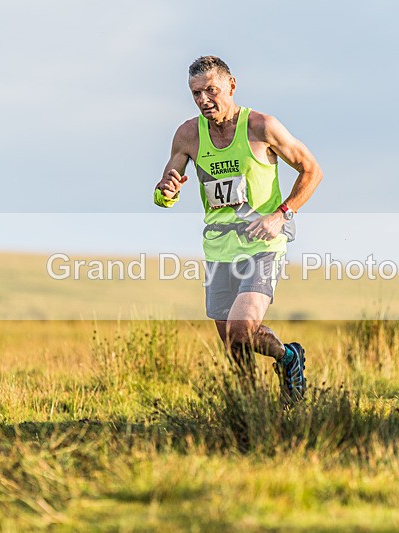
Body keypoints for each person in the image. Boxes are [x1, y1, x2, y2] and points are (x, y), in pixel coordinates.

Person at [154, 56, 323, 401]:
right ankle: (250, 410)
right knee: (235, 346)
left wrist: (281, 215)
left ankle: (290, 359)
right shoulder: (188, 134)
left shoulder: (262, 127)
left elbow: (311, 170)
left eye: (211, 90)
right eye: (196, 93)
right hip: (218, 250)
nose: (204, 100)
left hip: (262, 247)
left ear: (231, 86)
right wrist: (166, 191)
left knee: (240, 328)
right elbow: (163, 191)